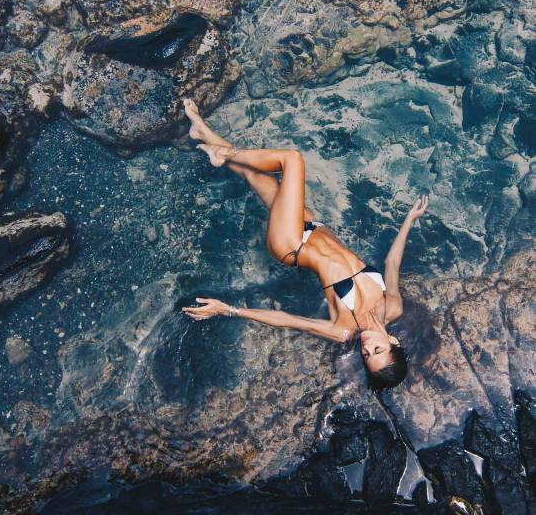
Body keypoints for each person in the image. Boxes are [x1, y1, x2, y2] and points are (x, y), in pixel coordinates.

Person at [181, 99, 429, 391]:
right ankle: (203, 132)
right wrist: (409, 221)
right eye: (377, 349)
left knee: (292, 160)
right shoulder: (393, 306)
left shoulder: (342, 329)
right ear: (393, 342)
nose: (366, 347)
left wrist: (227, 310)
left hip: (290, 244)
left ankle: (221, 151)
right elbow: (392, 263)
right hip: (312, 226)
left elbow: (287, 320)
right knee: (255, 175)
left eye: (365, 355)